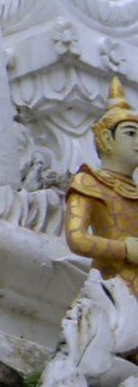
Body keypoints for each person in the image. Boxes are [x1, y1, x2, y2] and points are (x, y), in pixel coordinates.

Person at [65, 77, 138, 296]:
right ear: (106, 139)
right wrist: (124, 249)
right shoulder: (89, 183)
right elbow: (77, 239)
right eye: (131, 134)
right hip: (115, 284)